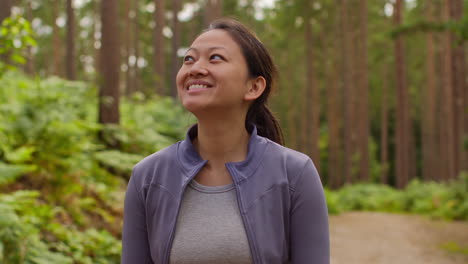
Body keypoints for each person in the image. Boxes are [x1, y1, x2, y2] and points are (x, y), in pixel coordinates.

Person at [121, 18, 329, 264]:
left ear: (253, 87)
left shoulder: (294, 174)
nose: (195, 68)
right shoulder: (148, 177)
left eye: (215, 58)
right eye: (189, 59)